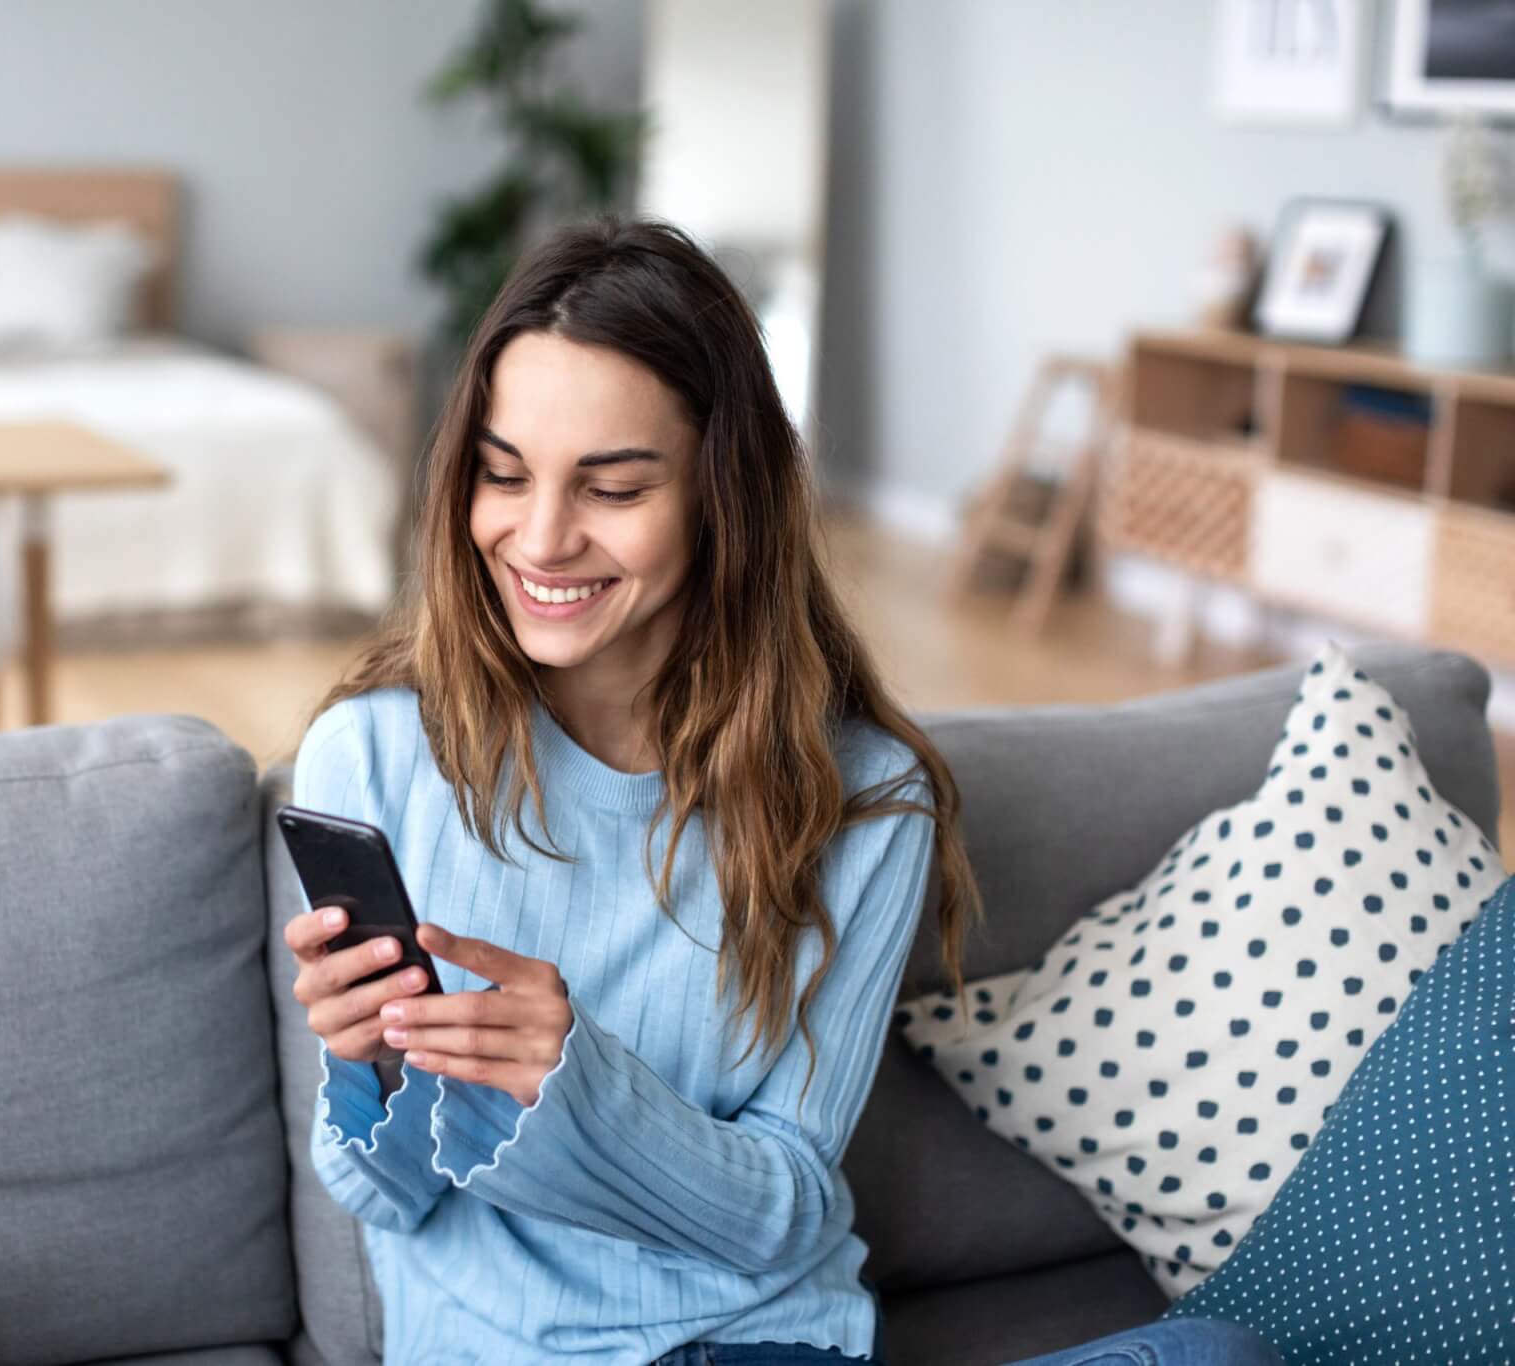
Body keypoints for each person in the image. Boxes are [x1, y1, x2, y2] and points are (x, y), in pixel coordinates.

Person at [284, 216, 1282, 1366]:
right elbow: (388, 1202)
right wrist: (367, 1070)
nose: (540, 537)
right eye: (503, 475)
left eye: (610, 487)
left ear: (723, 492)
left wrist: (581, 1089)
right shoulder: (374, 756)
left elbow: (782, 1212)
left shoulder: (863, 799)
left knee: (1214, 1355)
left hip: (764, 1345)